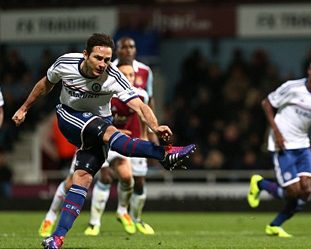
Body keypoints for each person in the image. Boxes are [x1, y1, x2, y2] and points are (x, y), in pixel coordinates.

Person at [12, 33, 195, 249]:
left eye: (107, 60)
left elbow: (140, 105)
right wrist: (24, 108)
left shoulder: (114, 77)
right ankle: (163, 154)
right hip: (69, 117)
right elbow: (45, 84)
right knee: (109, 134)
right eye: (98, 58)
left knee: (82, 179)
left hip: (99, 125)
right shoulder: (65, 63)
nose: (103, 64)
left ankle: (57, 237)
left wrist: (155, 126)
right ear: (86, 55)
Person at [247, 57, 311, 238]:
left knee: (306, 191)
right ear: (309, 71)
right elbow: (266, 103)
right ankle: (259, 183)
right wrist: (276, 133)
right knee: (292, 192)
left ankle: (275, 225)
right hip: (283, 143)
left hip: (302, 144)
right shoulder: (293, 88)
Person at [84, 37, 159, 236]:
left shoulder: (145, 73)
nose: (127, 49)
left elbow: (147, 103)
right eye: (123, 46)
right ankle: (94, 223)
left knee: (138, 182)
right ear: (117, 49)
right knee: (107, 177)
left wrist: (151, 133)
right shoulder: (106, 68)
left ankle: (134, 218)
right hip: (109, 135)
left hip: (135, 135)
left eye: (131, 46)